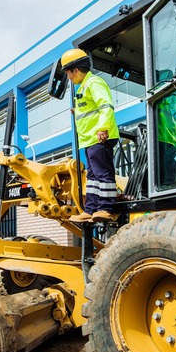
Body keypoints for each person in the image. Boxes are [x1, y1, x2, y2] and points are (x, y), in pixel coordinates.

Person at [61, 48, 120, 223]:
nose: (69, 78)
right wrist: (77, 110)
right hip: (89, 140)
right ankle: (91, 208)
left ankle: (104, 208)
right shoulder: (85, 86)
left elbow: (105, 106)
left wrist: (103, 128)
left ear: (76, 70)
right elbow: (91, 109)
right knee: (93, 177)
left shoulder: (94, 82)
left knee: (103, 174)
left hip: (99, 137)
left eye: (68, 74)